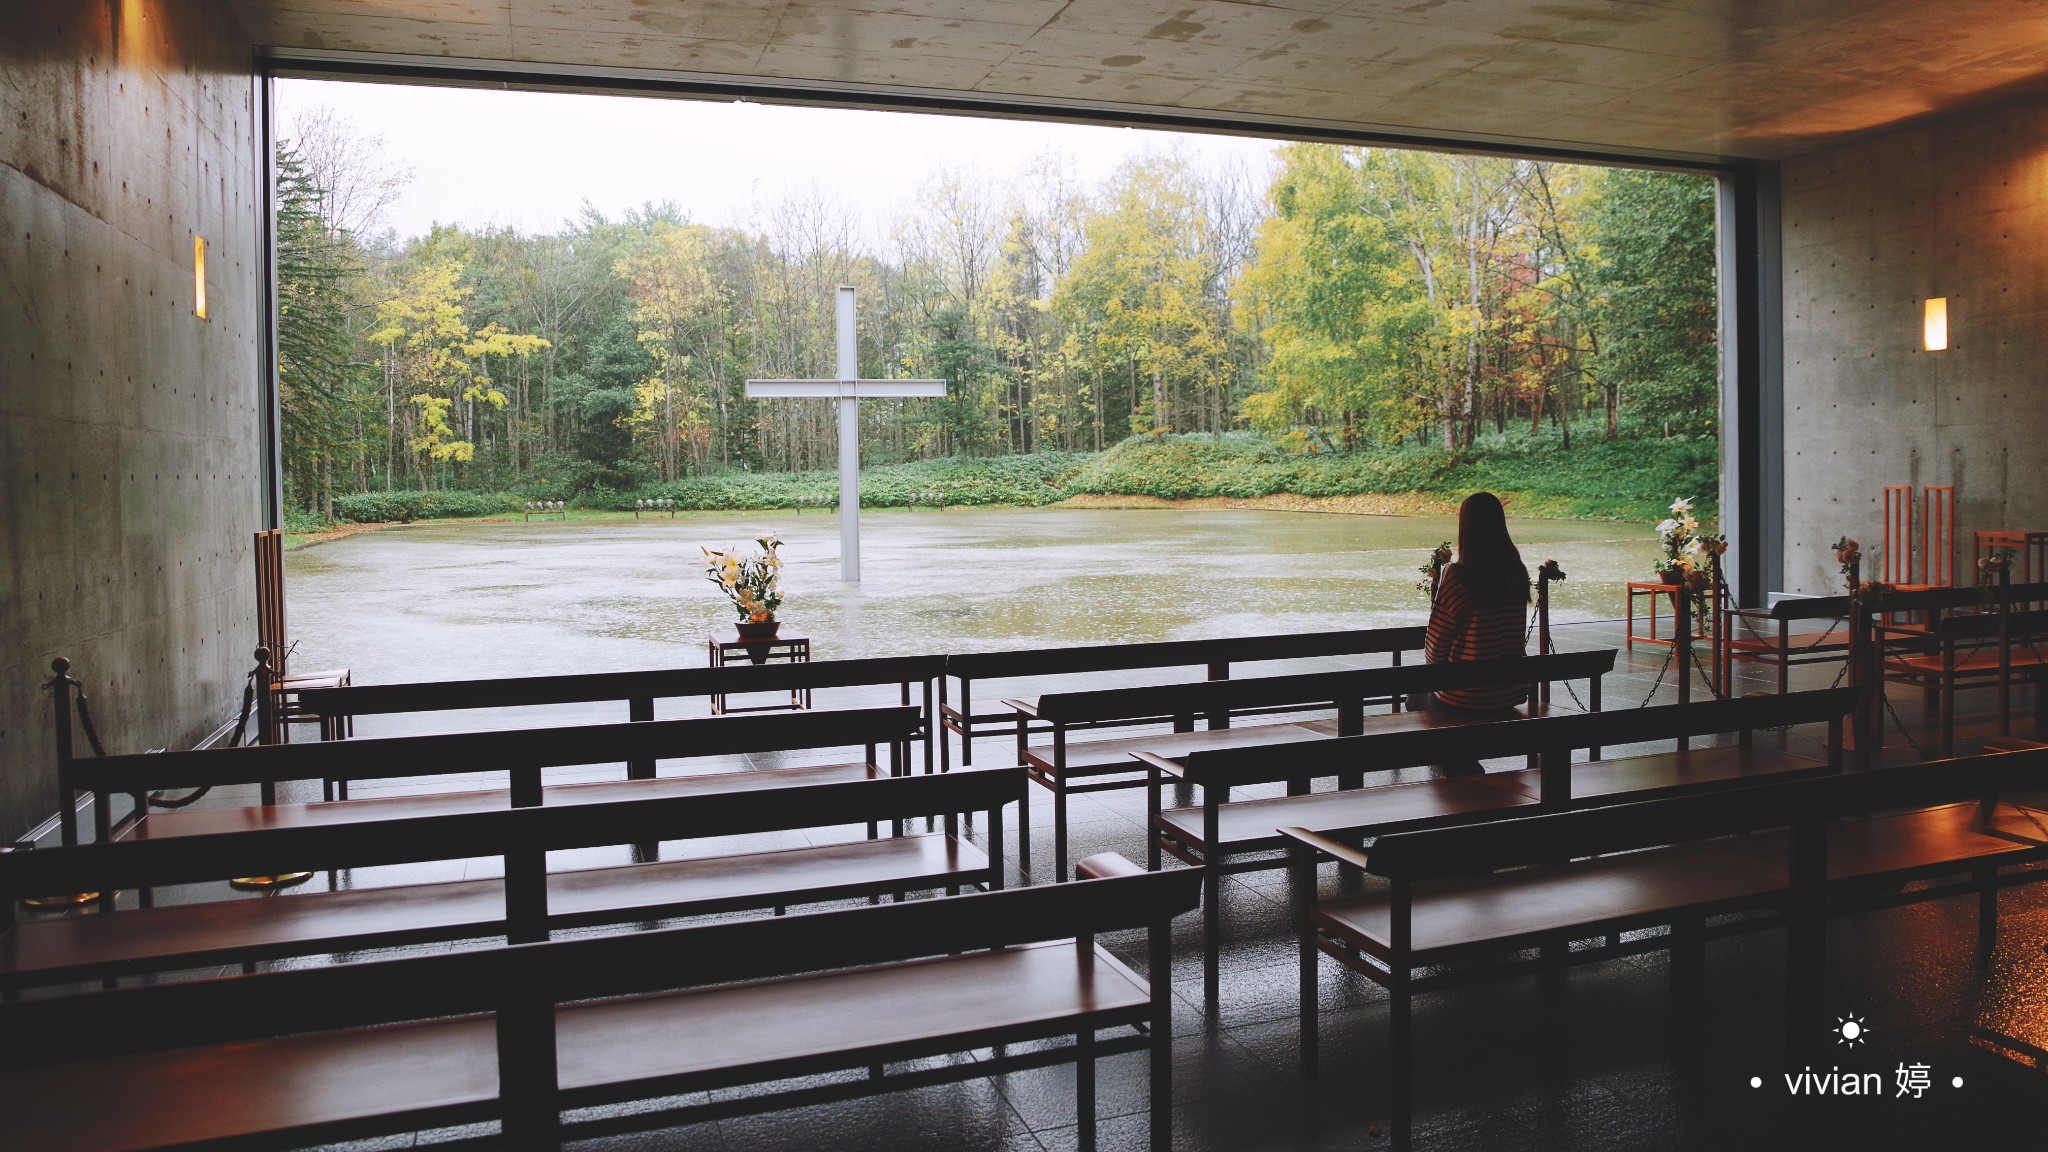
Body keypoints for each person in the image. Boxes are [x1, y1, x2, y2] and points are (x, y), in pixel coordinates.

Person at [1417, 493, 1531, 772]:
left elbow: (1436, 647)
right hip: (1509, 689)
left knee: (1415, 699)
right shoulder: (1516, 572)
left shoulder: (1460, 576)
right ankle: (1459, 762)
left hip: (1467, 696)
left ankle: (1458, 764)